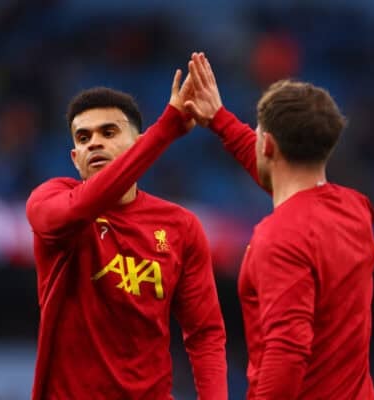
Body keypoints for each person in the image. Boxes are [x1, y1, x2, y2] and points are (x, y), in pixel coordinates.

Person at [184, 52, 374, 399]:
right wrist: (218, 119)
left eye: (258, 134)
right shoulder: (357, 209)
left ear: (269, 145)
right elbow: (285, 178)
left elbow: (286, 354)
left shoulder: (278, 238)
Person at [25, 70, 227, 400]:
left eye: (108, 132)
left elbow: (205, 333)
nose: (95, 143)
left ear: (138, 144)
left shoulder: (181, 226)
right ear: (75, 159)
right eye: (83, 138)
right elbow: (79, 208)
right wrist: (167, 129)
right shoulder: (48, 201)